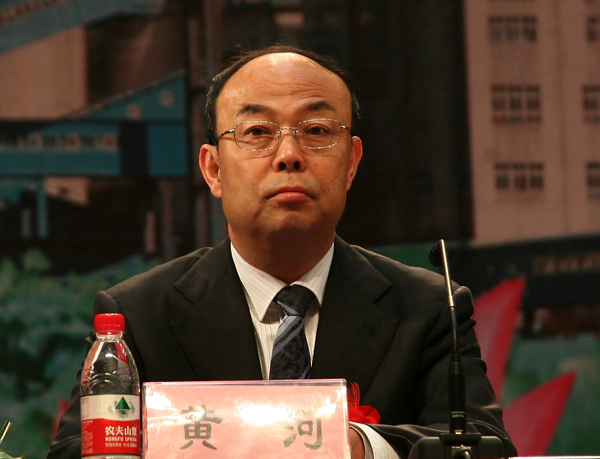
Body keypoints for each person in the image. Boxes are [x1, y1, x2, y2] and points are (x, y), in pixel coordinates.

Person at [47, 45, 517, 459]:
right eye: (257, 131)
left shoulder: (430, 308)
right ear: (213, 170)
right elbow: (75, 453)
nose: (289, 154)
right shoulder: (138, 316)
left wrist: (356, 445)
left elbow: (482, 446)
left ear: (351, 164)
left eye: (316, 130)